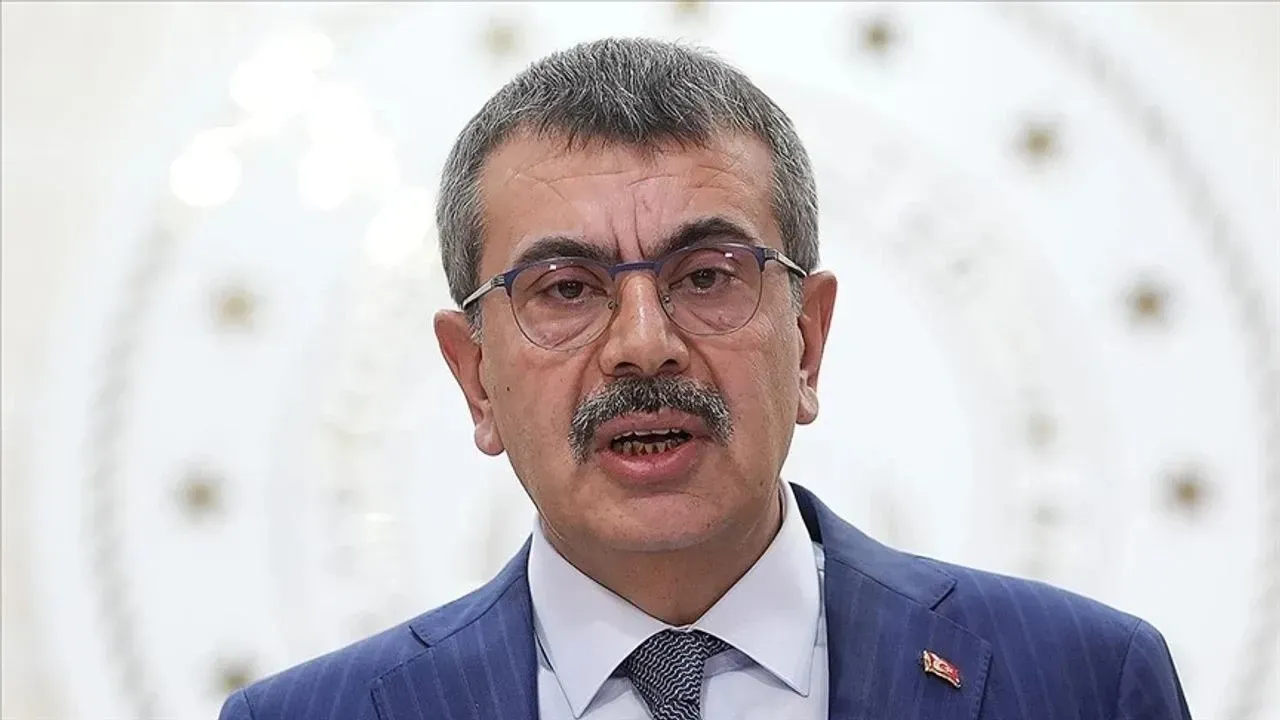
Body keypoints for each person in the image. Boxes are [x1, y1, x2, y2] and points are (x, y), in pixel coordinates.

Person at [220, 37, 1192, 720]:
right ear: (475, 378)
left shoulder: (1083, 682)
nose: (644, 345)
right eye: (566, 289)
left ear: (806, 341)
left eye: (706, 277)